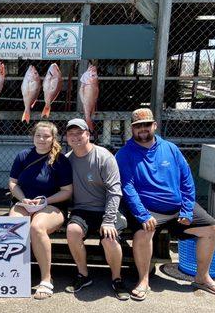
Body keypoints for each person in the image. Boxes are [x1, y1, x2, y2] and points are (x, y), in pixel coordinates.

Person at [116, 108, 215, 300]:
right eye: (137, 126)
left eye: (146, 125)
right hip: (149, 210)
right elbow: (128, 187)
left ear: (154, 126)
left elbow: (187, 181)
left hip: (177, 208)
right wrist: (143, 215)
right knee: (142, 233)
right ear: (132, 129)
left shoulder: (171, 149)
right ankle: (143, 280)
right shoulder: (124, 154)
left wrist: (187, 210)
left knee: (212, 228)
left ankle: (202, 277)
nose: (142, 129)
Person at [64, 118, 129, 300]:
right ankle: (83, 275)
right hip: (82, 210)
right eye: (71, 134)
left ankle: (117, 279)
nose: (75, 137)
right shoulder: (67, 160)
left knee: (109, 239)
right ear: (67, 138)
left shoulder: (104, 156)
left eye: (79, 133)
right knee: (72, 231)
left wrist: (108, 220)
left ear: (88, 134)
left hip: (106, 209)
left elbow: (115, 191)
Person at [9, 121, 73, 300]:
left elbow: (67, 192)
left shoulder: (61, 160)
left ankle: (46, 279)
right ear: (33, 137)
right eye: (38, 135)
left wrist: (45, 201)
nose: (42, 139)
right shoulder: (23, 155)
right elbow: (13, 183)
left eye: (46, 136)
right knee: (14, 226)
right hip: (25, 202)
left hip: (52, 205)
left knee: (36, 227)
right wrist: (23, 199)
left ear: (53, 138)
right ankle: (13, 274)